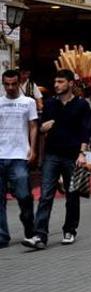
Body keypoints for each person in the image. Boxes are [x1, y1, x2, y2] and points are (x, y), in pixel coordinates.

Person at [23, 69, 91, 249]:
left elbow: (85, 131)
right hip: (52, 154)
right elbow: (41, 127)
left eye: (60, 82)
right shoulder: (50, 104)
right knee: (46, 195)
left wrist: (82, 153)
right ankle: (40, 235)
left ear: (70, 83)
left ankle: (69, 230)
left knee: (72, 194)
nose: (56, 85)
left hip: (72, 155)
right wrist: (44, 127)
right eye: (55, 82)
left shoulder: (82, 104)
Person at [0, 69, 37, 248]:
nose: (11, 87)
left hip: (19, 156)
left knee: (24, 195)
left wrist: (33, 149)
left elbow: (33, 126)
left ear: (18, 82)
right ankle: (2, 236)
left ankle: (30, 228)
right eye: (7, 84)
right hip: (1, 155)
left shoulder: (28, 102)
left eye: (14, 84)